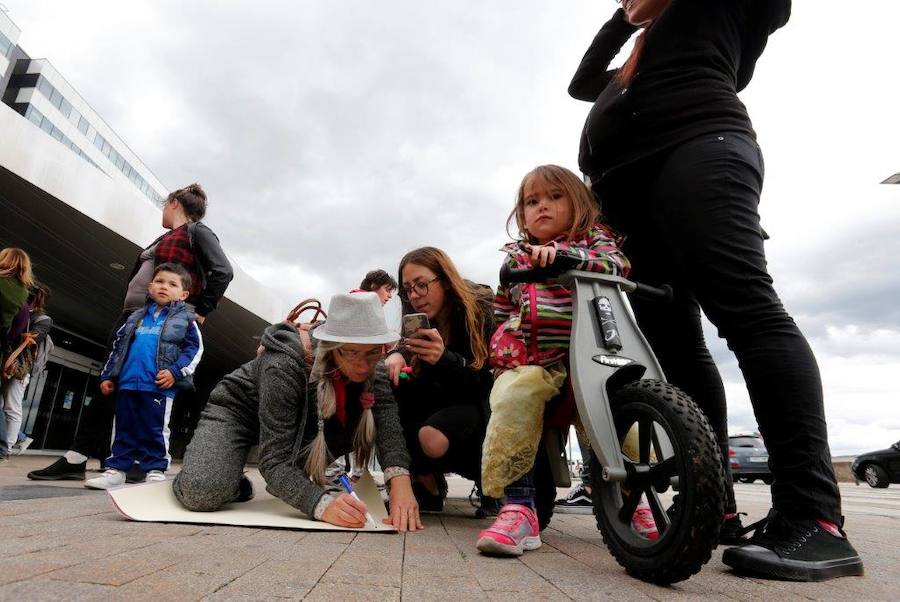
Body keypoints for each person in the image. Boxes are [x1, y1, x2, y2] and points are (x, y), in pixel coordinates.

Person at [568, 0, 863, 580]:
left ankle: (814, 519)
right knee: (675, 348)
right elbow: (581, 85)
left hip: (698, 150)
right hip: (630, 198)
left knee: (748, 311)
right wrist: (625, 20)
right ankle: (715, 503)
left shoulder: (719, 14)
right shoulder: (639, 51)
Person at [29, 183, 233, 482]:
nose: (162, 210)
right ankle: (114, 460)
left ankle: (96, 458)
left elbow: (222, 271)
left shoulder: (197, 231)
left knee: (150, 393)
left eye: (165, 204)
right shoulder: (165, 238)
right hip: (138, 318)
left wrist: (201, 309)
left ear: (174, 203)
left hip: (162, 324)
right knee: (116, 385)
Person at [476, 165, 630, 556]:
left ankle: (631, 499)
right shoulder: (518, 257)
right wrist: (503, 342)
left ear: (578, 203)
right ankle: (519, 507)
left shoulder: (595, 241)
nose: (542, 206)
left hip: (591, 356)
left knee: (617, 406)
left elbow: (618, 266)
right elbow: (501, 305)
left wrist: (565, 256)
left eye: (554, 197)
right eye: (532, 201)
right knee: (512, 396)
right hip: (536, 360)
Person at [174, 292, 422, 531]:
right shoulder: (284, 363)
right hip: (239, 414)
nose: (363, 364)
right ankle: (216, 475)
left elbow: (387, 422)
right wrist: (321, 503)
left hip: (294, 424)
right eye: (352, 353)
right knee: (202, 492)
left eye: (371, 353)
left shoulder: (371, 363)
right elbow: (274, 461)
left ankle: (239, 477)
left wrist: (400, 482)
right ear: (331, 344)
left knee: (370, 404)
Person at [385, 247, 496, 514]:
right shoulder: (418, 323)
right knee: (393, 383)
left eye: (422, 285)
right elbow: (407, 353)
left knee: (431, 436)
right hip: (439, 404)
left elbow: (488, 383)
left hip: (477, 406)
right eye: (408, 289)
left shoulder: (479, 311)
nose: (414, 296)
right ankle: (426, 483)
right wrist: (398, 355)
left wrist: (445, 358)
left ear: (444, 280)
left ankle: (492, 483)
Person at [85, 263, 202, 489]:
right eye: (159, 281)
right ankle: (117, 470)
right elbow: (118, 347)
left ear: (183, 294)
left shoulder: (186, 320)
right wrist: (108, 375)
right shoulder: (135, 318)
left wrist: (175, 372)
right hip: (128, 383)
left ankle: (155, 471)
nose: (164, 287)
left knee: (154, 429)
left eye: (172, 284)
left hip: (158, 385)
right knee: (123, 429)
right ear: (149, 286)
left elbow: (194, 350)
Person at [1, 283, 51, 461]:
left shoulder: (43, 318)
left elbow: (35, 336)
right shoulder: (21, 309)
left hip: (20, 366)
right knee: (5, 405)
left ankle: (7, 447)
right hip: (5, 360)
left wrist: (24, 332)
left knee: (12, 406)